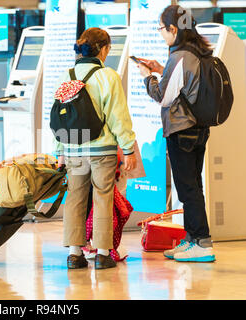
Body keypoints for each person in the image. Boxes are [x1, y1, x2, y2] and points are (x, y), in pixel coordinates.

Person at [137, 5, 215, 262]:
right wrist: (162, 68)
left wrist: (148, 77)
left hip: (181, 130)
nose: (160, 33)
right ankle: (194, 239)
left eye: (161, 28)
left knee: (187, 188)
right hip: (198, 128)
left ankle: (201, 242)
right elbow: (184, 85)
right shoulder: (198, 51)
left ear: (173, 29)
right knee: (193, 186)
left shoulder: (180, 55)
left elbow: (163, 96)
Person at [53, 27, 136, 269]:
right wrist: (128, 148)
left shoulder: (66, 76)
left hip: (72, 149)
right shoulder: (107, 76)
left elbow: (60, 118)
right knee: (102, 197)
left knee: (75, 198)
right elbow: (118, 117)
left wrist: (59, 150)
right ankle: (102, 254)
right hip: (101, 150)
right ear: (103, 49)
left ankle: (74, 254)